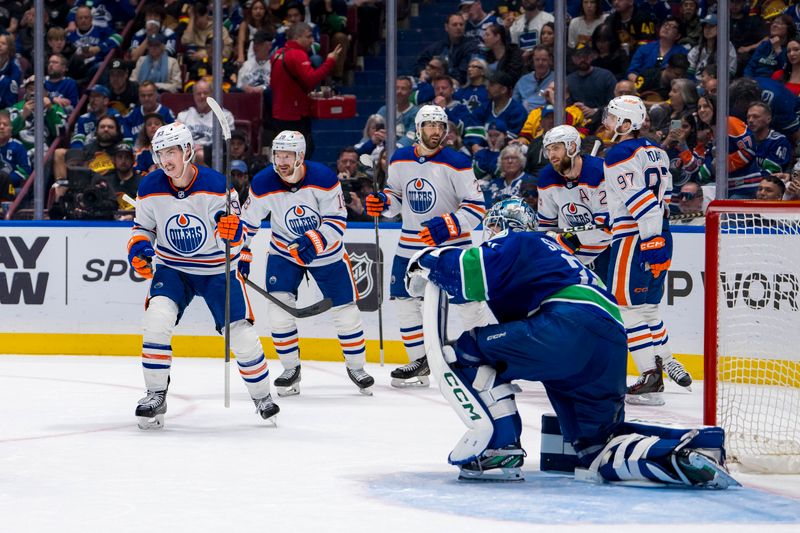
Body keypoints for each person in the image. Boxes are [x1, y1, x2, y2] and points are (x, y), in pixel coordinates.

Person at [402, 197, 738, 488]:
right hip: (608, 341)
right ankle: (690, 448)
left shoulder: (520, 240)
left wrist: (426, 261)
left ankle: (498, 450)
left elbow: (466, 269)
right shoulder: (562, 258)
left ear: (500, 225)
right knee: (596, 448)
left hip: (566, 325)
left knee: (466, 351)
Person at [127, 122, 279, 429]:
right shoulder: (149, 186)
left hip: (215, 270)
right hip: (173, 268)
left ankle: (262, 396)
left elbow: (237, 236)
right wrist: (138, 248)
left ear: (186, 151)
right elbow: (142, 228)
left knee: (242, 334)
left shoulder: (217, 186)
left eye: (171, 152)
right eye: (160, 153)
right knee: (157, 321)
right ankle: (156, 394)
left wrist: (231, 233)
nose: (165, 160)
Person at [239, 131, 374, 396]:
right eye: (277, 155)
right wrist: (242, 251)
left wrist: (313, 242)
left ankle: (356, 368)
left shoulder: (323, 177)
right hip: (284, 253)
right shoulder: (264, 182)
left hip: (327, 253)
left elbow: (337, 219)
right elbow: (247, 223)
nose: (281, 161)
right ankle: (291, 370)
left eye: (287, 155)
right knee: (278, 314)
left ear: (300, 156)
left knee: (346, 312)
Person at [365, 105, 487, 388]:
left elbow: (476, 207)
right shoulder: (400, 158)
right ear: (418, 129)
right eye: (429, 126)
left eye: (440, 126)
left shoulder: (458, 162)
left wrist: (448, 225)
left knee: (467, 302)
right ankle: (419, 361)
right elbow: (396, 195)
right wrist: (383, 204)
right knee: (404, 301)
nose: (435, 131)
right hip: (409, 244)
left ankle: (485, 357)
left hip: (453, 247)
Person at [602, 95, 692, 406]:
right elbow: (659, 202)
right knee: (649, 308)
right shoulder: (658, 152)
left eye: (613, 118)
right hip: (660, 231)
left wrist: (649, 242)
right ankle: (665, 360)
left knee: (626, 309)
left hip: (635, 236)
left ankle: (649, 374)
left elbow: (643, 205)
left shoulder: (618, 155)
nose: (607, 123)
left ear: (627, 123)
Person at [537, 125, 611, 284]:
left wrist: (572, 241)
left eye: (556, 148)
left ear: (572, 146)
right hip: (571, 253)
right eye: (548, 150)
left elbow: (607, 226)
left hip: (608, 249)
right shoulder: (546, 177)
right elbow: (546, 224)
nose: (551, 155)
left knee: (612, 301)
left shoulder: (600, 171)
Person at [269, 22, 342, 159]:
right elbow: (311, 79)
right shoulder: (298, 55)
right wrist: (330, 61)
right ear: (297, 37)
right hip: (295, 116)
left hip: (279, 115)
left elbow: (273, 85)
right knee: (302, 154)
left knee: (284, 156)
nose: (312, 40)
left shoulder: (277, 55)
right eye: (308, 37)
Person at [175, 80, 234, 163]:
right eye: (198, 94)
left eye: (206, 93)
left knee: (200, 155)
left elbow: (227, 143)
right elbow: (176, 140)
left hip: (214, 157)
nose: (202, 96)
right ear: (194, 95)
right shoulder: (183, 116)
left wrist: (205, 150)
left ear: (212, 95)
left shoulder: (225, 116)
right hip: (187, 155)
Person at [414, 13, 480, 85]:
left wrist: (439, 73)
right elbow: (419, 63)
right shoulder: (438, 47)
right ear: (446, 27)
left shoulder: (471, 47)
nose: (458, 27)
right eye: (454, 25)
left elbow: (462, 73)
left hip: (458, 85)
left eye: (461, 24)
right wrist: (422, 71)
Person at [746, 101, 793, 175]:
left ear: (768, 119)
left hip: (767, 183)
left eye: (756, 116)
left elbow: (771, 172)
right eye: (748, 117)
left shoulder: (778, 141)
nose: (750, 120)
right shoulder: (744, 138)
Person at [512, 45, 554, 113]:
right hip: (524, 117)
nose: (540, 63)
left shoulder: (557, 79)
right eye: (537, 60)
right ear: (532, 61)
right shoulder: (523, 80)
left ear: (550, 60)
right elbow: (514, 103)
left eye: (544, 60)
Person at [0, 110, 31, 193]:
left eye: (5, 125)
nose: (1, 127)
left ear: (11, 129)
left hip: (10, 188)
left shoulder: (18, 146)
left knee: (18, 192)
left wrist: (6, 180)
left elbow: (26, 171)